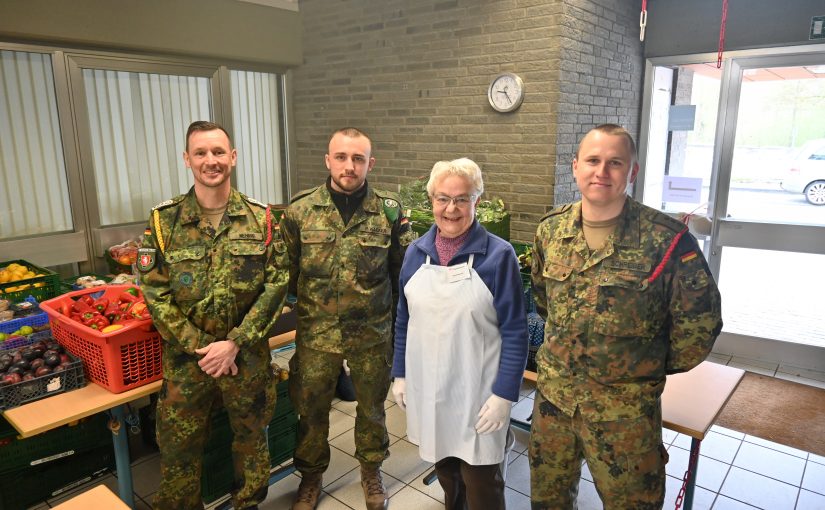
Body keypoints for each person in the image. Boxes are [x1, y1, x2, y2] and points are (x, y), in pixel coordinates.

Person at [528, 124, 723, 509]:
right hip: (555, 405)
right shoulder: (550, 231)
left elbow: (700, 324)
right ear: (575, 167)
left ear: (631, 171)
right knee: (548, 502)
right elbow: (544, 302)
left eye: (615, 162)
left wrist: (643, 368)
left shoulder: (666, 239)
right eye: (593, 160)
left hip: (626, 416)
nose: (602, 171)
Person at [138, 120, 289, 510]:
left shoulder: (263, 219)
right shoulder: (163, 222)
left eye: (219, 152)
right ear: (187, 159)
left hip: (247, 359)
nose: (211, 161)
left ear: (233, 158)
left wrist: (235, 343)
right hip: (189, 365)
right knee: (179, 453)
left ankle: (248, 505)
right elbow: (155, 293)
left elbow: (276, 287)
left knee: (251, 442)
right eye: (201, 153)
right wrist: (205, 348)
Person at [281, 127, 416, 510]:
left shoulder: (389, 211)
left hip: (372, 334)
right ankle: (311, 476)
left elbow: (400, 273)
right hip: (316, 334)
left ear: (370, 163)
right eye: (341, 157)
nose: (349, 166)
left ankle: (371, 471)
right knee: (311, 410)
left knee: (372, 409)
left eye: (358, 158)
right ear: (328, 160)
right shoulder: (300, 211)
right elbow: (289, 273)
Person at [391, 158, 528, 510]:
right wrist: (400, 374)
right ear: (431, 201)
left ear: (476, 202)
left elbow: (515, 330)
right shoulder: (415, 253)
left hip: (479, 394)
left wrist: (504, 394)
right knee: (448, 475)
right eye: (442, 199)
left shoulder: (499, 256)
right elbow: (404, 319)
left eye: (462, 199)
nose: (451, 209)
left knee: (482, 483)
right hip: (432, 389)